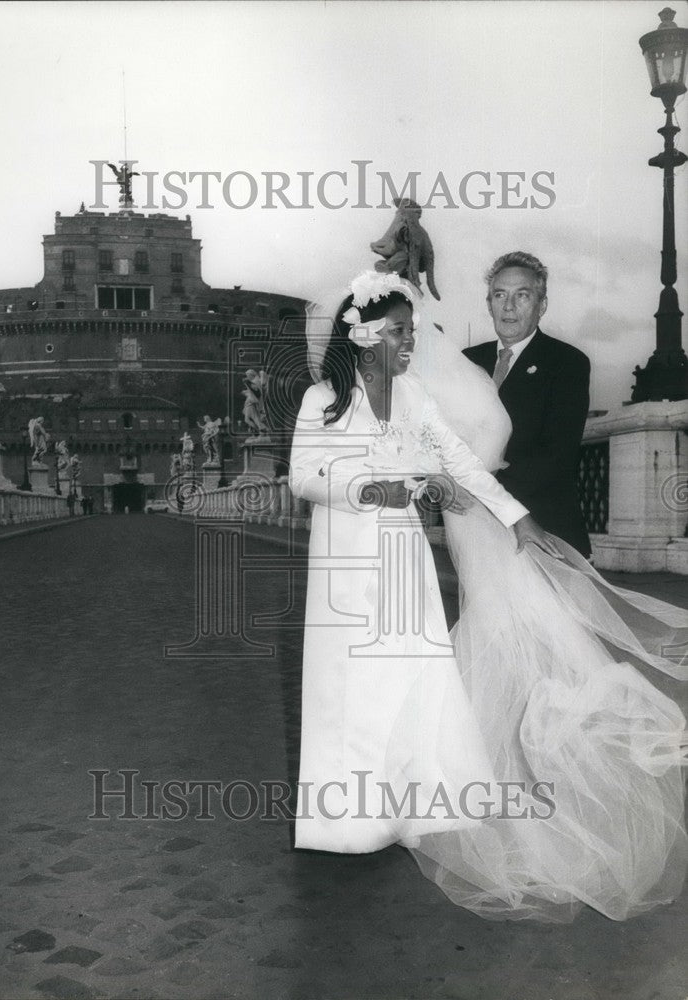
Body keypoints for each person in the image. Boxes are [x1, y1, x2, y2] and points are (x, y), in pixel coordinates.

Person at [290, 269, 687, 923]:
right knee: (352, 684)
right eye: (398, 332)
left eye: (412, 331)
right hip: (345, 560)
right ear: (363, 336)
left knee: (414, 676)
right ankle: (351, 820)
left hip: (403, 557)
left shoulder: (414, 395)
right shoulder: (322, 399)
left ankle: (412, 812)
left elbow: (461, 463)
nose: (410, 342)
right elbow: (307, 477)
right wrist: (370, 488)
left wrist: (516, 518)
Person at [463, 252, 591, 556]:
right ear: (489, 304)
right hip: (475, 531)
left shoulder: (567, 363)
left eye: (522, 295)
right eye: (499, 295)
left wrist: (481, 490)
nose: (508, 306)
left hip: (542, 529)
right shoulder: (467, 361)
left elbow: (557, 454)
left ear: (541, 305)